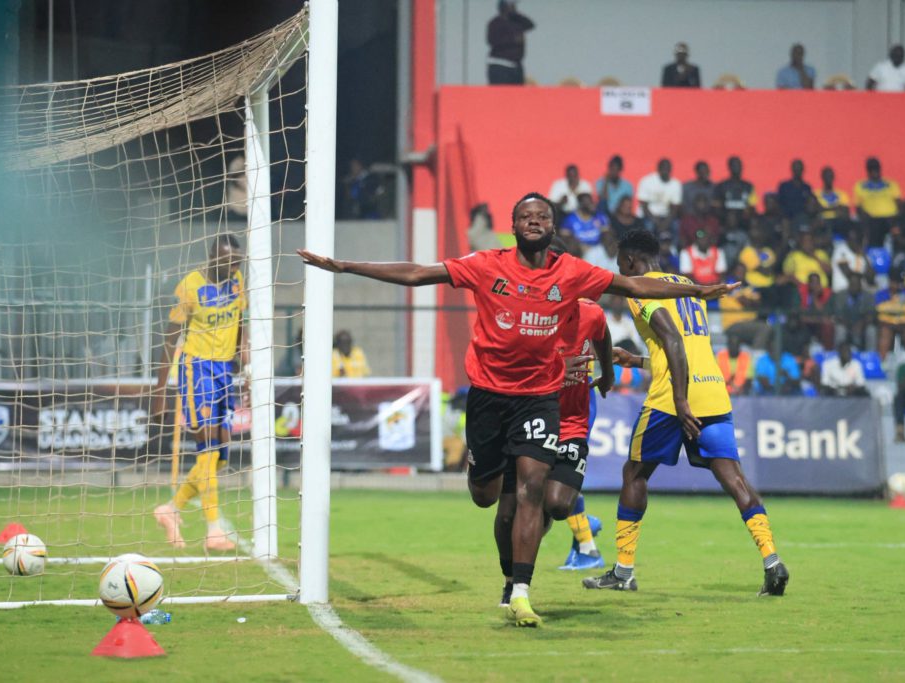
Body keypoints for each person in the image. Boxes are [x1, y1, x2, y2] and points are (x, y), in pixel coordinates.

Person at [297, 193, 736, 627]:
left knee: (532, 490)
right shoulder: (488, 264)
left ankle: (520, 591)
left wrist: (697, 290)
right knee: (487, 497)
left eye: (542, 215)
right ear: (514, 225)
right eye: (525, 215)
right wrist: (345, 266)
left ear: (552, 226)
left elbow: (635, 285)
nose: (534, 220)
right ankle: (482, 474)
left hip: (539, 397)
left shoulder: (572, 273)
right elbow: (417, 273)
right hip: (489, 395)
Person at [582, 229, 788, 596]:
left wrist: (679, 400)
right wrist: (639, 361)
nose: (619, 269)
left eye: (619, 263)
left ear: (629, 260)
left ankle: (624, 571)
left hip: (673, 398)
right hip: (712, 391)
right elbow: (683, 348)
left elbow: (674, 340)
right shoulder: (687, 286)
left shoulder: (639, 286)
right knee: (735, 479)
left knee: (634, 473)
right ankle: (772, 561)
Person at [495, 297, 614, 604]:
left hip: (571, 422)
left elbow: (602, 336)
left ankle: (562, 527)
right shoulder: (528, 317)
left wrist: (609, 371)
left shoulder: (590, 313)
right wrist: (557, 369)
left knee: (558, 505)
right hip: (528, 418)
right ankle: (512, 582)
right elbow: (510, 367)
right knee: (507, 514)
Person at [152, 235, 249, 552]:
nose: (234, 265)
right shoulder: (189, 286)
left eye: (237, 260)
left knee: (220, 457)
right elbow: (170, 338)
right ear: (213, 258)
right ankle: (214, 531)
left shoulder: (237, 282)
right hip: (197, 370)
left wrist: (245, 371)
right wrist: (159, 390)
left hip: (225, 372)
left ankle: (171, 509)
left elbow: (239, 325)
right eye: (229, 260)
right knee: (206, 450)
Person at [854, 157, 902, 248]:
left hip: (891, 218)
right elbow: (858, 207)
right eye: (871, 169)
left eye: (876, 168)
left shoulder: (891, 184)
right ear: (867, 170)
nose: (874, 171)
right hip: (872, 220)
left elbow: (899, 202)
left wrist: (898, 216)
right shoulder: (860, 186)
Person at [486, 1, 534, 85]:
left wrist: (516, 14)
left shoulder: (517, 21)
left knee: (517, 96)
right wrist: (513, 39)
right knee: (501, 96)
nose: (514, 7)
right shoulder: (495, 23)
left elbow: (530, 24)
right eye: (511, 6)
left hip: (516, 66)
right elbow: (491, 41)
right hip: (500, 66)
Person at [875, 272, 905, 361]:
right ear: (890, 282)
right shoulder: (881, 294)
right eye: (895, 282)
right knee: (885, 334)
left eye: (899, 282)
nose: (897, 285)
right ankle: (881, 363)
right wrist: (900, 309)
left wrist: (893, 310)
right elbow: (878, 311)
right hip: (887, 324)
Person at [827, 274, 875, 350]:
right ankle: (838, 354)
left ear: (860, 285)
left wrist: (861, 324)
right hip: (845, 324)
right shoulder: (840, 296)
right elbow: (838, 315)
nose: (854, 287)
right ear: (849, 284)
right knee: (840, 330)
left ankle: (870, 356)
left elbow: (870, 315)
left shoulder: (868, 296)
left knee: (871, 330)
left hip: (862, 325)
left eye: (857, 284)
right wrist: (850, 326)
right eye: (852, 284)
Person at [713, 156, 758, 230]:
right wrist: (727, 217)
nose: (738, 168)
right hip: (726, 223)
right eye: (735, 165)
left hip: (745, 223)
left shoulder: (749, 186)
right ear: (729, 167)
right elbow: (716, 206)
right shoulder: (721, 186)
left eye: (739, 165)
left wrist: (747, 213)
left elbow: (753, 205)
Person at [636, 158, 682, 228]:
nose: (665, 171)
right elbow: (644, 206)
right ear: (658, 168)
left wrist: (665, 223)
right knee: (649, 226)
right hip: (648, 216)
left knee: (676, 225)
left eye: (667, 168)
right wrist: (656, 222)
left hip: (666, 217)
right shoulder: (646, 181)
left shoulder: (675, 184)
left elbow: (675, 208)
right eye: (663, 168)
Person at [831, 225, 875, 294]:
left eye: (856, 239)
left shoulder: (864, 256)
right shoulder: (841, 250)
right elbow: (848, 273)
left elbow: (871, 277)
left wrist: (864, 256)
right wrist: (863, 276)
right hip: (842, 292)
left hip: (860, 294)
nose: (853, 242)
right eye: (851, 239)